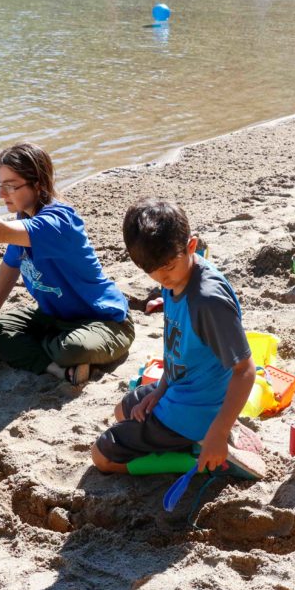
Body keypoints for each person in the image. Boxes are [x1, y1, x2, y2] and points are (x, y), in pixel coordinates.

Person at [0, 143, 134, 384]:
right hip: (53, 318)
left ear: (38, 184)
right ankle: (60, 370)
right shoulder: (25, 219)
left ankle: (54, 354)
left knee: (71, 348)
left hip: (104, 321)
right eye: (0, 185)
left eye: (10, 186)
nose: (1, 194)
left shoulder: (57, 222)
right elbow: (11, 265)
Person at [92, 198, 266, 478]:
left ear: (191, 246)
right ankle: (199, 442)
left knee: (101, 457)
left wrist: (218, 433)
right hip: (180, 389)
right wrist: (159, 391)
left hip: (198, 408)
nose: (162, 277)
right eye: (151, 270)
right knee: (123, 410)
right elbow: (178, 351)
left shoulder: (208, 301)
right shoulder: (175, 280)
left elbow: (245, 371)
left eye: (168, 266)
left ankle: (212, 459)